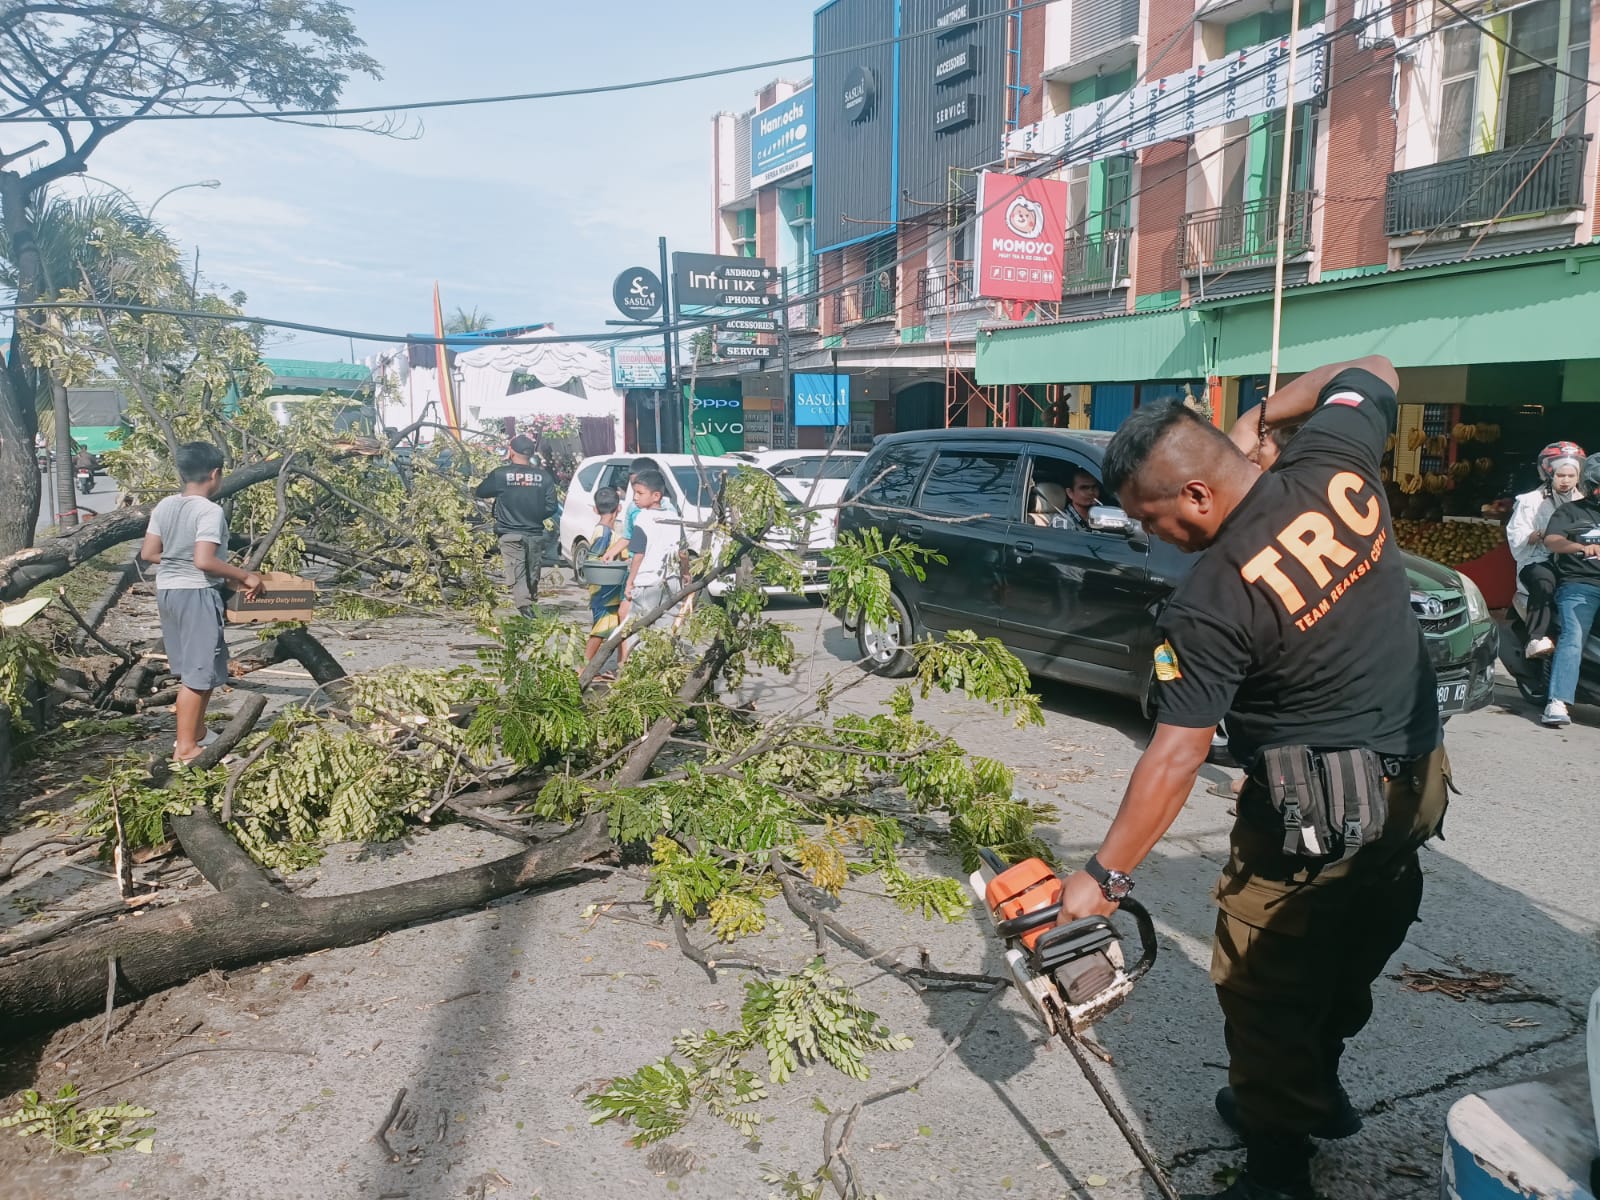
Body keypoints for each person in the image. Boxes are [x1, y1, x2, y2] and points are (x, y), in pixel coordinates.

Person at [1058, 356, 1447, 1200]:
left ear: (1196, 494)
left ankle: (1277, 1171)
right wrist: (1261, 417)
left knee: (1261, 983)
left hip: (1314, 815)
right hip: (1415, 790)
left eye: (1151, 519)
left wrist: (1104, 875)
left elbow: (1176, 753)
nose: (1154, 536)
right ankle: (1321, 1086)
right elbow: (1370, 367)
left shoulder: (1211, 601)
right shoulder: (1334, 464)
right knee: (1354, 943)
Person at [140, 442, 263, 765]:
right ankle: (185, 749)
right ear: (215, 474)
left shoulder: (166, 505)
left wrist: (180, 560)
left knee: (202, 670)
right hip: (196, 594)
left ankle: (196, 733)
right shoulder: (209, 511)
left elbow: (149, 553)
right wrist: (245, 576)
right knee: (198, 674)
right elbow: (204, 560)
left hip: (168, 591)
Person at [1537, 454, 1600, 727]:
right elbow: (1552, 540)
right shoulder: (1570, 512)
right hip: (1580, 584)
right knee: (1573, 636)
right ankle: (1557, 702)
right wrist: (1580, 547)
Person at [1507, 442, 1585, 661]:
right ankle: (1536, 637)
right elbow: (1517, 535)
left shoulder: (1583, 503)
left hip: (1575, 560)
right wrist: (1543, 535)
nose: (1566, 480)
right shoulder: (1530, 501)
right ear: (1550, 473)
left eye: (1571, 475)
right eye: (1561, 475)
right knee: (1544, 581)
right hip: (1537, 560)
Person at [474, 434, 558, 617]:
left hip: (509, 532)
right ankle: (530, 608)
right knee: (532, 573)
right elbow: (551, 506)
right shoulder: (544, 477)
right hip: (535, 532)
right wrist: (535, 515)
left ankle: (526, 610)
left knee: (517, 573)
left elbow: (480, 491)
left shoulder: (501, 474)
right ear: (531, 453)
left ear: (511, 450)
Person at [617, 468, 681, 665]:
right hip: (671, 580)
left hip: (647, 583)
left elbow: (638, 554)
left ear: (656, 496)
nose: (635, 498)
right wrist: (685, 575)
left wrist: (630, 581)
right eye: (635, 492)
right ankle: (662, 667)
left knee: (636, 629)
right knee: (665, 627)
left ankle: (637, 671)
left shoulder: (643, 519)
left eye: (640, 493)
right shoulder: (675, 518)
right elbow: (683, 551)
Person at [584, 486, 627, 674]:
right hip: (605, 589)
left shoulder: (603, 531)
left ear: (595, 509)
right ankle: (583, 668)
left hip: (605, 589)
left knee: (614, 628)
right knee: (601, 628)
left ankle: (618, 666)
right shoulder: (605, 534)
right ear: (619, 509)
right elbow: (594, 560)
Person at [602, 456, 675, 560]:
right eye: (633, 487)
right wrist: (611, 553)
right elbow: (627, 537)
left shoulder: (668, 510)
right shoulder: (632, 507)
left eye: (640, 490)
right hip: (636, 563)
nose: (635, 495)